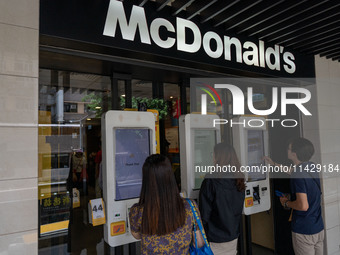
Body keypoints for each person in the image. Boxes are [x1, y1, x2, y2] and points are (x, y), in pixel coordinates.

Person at [129, 154, 204, 254]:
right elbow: (199, 242)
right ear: (170, 176)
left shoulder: (137, 211)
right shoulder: (189, 207)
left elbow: (137, 235)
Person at [264, 138, 324, 255]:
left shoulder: (298, 175)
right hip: (318, 228)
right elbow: (293, 171)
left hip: (304, 230)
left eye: (289, 148)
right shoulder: (311, 166)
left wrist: (286, 203)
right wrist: (274, 164)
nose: (287, 150)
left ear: (294, 154)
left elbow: (303, 206)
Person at [199, 142, 245, 255]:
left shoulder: (211, 181)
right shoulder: (239, 179)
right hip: (233, 237)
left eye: (213, 154)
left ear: (218, 157)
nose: (213, 157)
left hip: (214, 239)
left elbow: (204, 215)